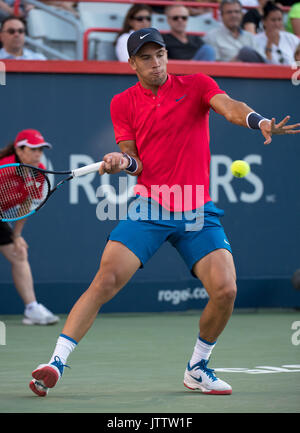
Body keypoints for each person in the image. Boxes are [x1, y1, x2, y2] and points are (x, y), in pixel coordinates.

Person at [29, 27, 300, 398]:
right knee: (105, 280)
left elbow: (231, 108)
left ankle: (198, 367)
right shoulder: (122, 102)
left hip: (196, 208)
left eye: (160, 55)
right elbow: (135, 161)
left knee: (225, 289)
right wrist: (121, 160)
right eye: (146, 57)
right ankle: (56, 361)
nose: (156, 63)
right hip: (150, 205)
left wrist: (260, 121)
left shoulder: (198, 84)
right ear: (132, 64)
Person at [0, 129, 59, 325]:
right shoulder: (4, 168)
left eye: (40, 149)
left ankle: (32, 308)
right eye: (33, 149)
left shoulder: (39, 172)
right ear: (19, 149)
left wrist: (17, 235)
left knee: (20, 254)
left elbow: (27, 204)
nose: (37, 154)